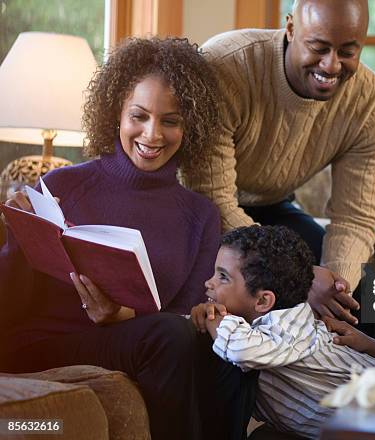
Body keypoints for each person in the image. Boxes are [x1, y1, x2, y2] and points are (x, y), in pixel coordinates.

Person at [0, 37, 250, 440]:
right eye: (139, 115)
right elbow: (10, 302)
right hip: (46, 342)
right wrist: (17, 234)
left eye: (171, 121)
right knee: (170, 337)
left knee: (222, 349)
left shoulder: (200, 214)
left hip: (140, 343)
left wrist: (125, 317)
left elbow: (189, 317)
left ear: (191, 125)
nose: (152, 135)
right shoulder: (61, 185)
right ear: (117, 109)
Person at [184, 0, 375, 323]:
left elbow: (354, 218)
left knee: (368, 291)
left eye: (348, 51)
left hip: (271, 206)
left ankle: (358, 372)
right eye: (318, 47)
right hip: (201, 212)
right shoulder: (226, 65)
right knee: (244, 285)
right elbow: (214, 200)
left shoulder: (371, 103)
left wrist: (336, 291)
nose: (331, 65)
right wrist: (302, 278)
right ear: (291, 28)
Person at [190, 225, 375, 439]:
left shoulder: (289, 328)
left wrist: (213, 318)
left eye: (223, 277)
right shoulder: (266, 326)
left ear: (263, 300)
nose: (209, 282)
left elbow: (241, 350)